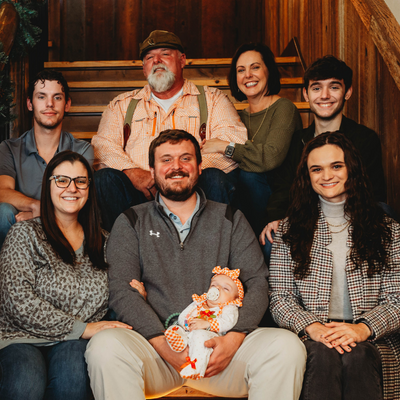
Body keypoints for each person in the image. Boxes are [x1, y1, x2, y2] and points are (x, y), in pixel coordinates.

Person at [85, 129, 306, 400]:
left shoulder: (230, 219)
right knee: (104, 346)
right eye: (166, 160)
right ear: (152, 171)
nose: (176, 167)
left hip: (221, 353)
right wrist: (163, 345)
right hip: (157, 354)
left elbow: (257, 283)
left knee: (287, 346)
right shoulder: (131, 221)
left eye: (185, 158)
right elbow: (121, 289)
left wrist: (235, 336)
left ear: (199, 168)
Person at [268, 131, 400, 400]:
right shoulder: (289, 232)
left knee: (358, 355)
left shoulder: (390, 231)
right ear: (308, 176)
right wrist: (313, 327)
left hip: (374, 338)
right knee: (321, 355)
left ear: (352, 169)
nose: (327, 175)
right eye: (317, 169)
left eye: (336, 166)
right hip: (313, 336)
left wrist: (362, 328)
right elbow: (280, 298)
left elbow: (397, 298)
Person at [0, 151, 131, 400]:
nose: (72, 188)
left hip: (74, 341)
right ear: (48, 185)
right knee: (26, 382)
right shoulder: (24, 234)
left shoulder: (105, 242)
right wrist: (81, 328)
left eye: (80, 181)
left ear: (89, 188)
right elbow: (17, 301)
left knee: (73, 380)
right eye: (62, 180)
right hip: (22, 338)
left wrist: (137, 292)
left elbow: (117, 292)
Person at [92, 30, 247, 231]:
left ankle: (209, 252)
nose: (157, 60)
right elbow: (102, 147)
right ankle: (125, 251)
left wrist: (180, 173)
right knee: (104, 180)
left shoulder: (213, 99)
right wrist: (133, 173)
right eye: (149, 57)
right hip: (141, 194)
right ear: (143, 68)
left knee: (215, 178)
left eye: (165, 53)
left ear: (182, 60)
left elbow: (233, 141)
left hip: (195, 191)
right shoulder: (121, 105)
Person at [260, 55, 387, 259]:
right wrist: (277, 218)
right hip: (306, 218)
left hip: (353, 216)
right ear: (306, 94)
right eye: (317, 88)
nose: (325, 95)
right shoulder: (296, 141)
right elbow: (283, 188)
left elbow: (375, 194)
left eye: (334, 87)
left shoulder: (365, 139)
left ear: (348, 92)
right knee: (272, 240)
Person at [202, 43, 302, 235]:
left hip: (277, 200)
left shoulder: (284, 109)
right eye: (241, 70)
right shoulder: (236, 116)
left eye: (255, 67)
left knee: (249, 175)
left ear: (269, 71)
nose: (248, 75)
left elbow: (270, 157)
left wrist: (225, 146)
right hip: (242, 200)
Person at [0, 69, 94, 249]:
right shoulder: (9, 149)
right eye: (41, 97)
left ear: (67, 104)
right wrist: (36, 206)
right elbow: (2, 192)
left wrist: (40, 213)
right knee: (3, 212)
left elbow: (80, 197)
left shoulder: (82, 150)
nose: (49, 104)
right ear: (30, 104)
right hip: (22, 233)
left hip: (67, 228)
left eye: (57, 98)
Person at [132, 266, 244, 380]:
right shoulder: (199, 303)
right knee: (175, 329)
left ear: (235, 298)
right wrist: (187, 322)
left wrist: (208, 324)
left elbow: (228, 322)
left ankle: (197, 367)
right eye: (214, 285)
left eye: (226, 289)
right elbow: (184, 315)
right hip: (189, 333)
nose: (218, 288)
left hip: (211, 336)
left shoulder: (229, 308)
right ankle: (177, 343)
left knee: (200, 336)